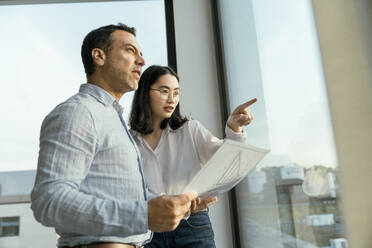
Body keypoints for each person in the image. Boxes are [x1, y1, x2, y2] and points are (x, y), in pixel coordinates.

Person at [31, 24, 197, 248]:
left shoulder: (113, 118)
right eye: (130, 50)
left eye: (140, 53)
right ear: (99, 56)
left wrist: (172, 204)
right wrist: (142, 215)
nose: (142, 61)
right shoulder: (79, 112)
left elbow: (121, 199)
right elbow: (49, 200)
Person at [129, 65, 257, 248]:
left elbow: (225, 163)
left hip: (192, 226)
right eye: (164, 91)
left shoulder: (190, 129)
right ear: (144, 92)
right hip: (149, 229)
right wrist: (169, 203)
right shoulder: (129, 141)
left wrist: (234, 128)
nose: (172, 99)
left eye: (176, 92)